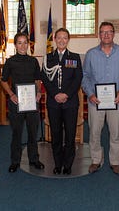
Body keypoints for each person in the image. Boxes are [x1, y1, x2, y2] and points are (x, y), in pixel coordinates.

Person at [82, 22, 119, 176]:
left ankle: (115, 162)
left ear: (113, 34)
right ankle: (96, 160)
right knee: (94, 132)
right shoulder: (91, 54)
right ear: (99, 34)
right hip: (95, 101)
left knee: (116, 133)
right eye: (103, 32)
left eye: (109, 32)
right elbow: (85, 76)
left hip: (117, 101)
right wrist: (90, 93)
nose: (106, 35)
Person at [41, 28, 83, 175]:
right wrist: (55, 95)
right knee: (56, 134)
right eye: (59, 37)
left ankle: (68, 164)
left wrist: (66, 94)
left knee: (70, 135)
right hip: (53, 103)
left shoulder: (75, 57)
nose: (62, 40)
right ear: (54, 38)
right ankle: (58, 164)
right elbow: (45, 79)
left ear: (68, 40)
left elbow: (77, 79)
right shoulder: (47, 58)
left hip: (70, 103)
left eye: (65, 38)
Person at [1, 32, 44, 173]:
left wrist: (38, 91)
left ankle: (34, 159)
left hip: (32, 102)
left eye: (25, 42)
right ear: (15, 45)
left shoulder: (33, 61)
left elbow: (38, 79)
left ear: (28, 44)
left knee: (33, 133)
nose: (23, 45)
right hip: (16, 102)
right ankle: (15, 161)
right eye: (19, 42)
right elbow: (3, 81)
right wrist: (11, 94)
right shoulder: (10, 61)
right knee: (16, 133)